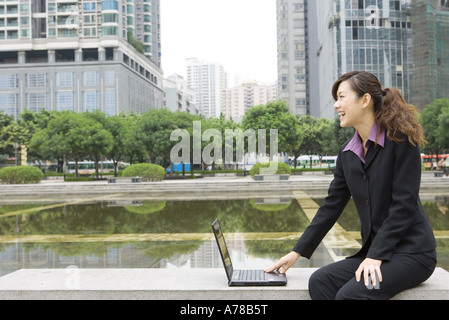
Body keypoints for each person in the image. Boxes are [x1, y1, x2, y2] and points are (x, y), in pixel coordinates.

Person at [265, 71, 437, 300]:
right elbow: (331, 206)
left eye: (342, 97)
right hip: (376, 253)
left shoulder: (402, 141)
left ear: (365, 100)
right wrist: (297, 251)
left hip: (412, 253)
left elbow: (403, 205)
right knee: (320, 281)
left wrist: (375, 256)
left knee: (351, 295)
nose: (336, 105)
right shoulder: (347, 152)